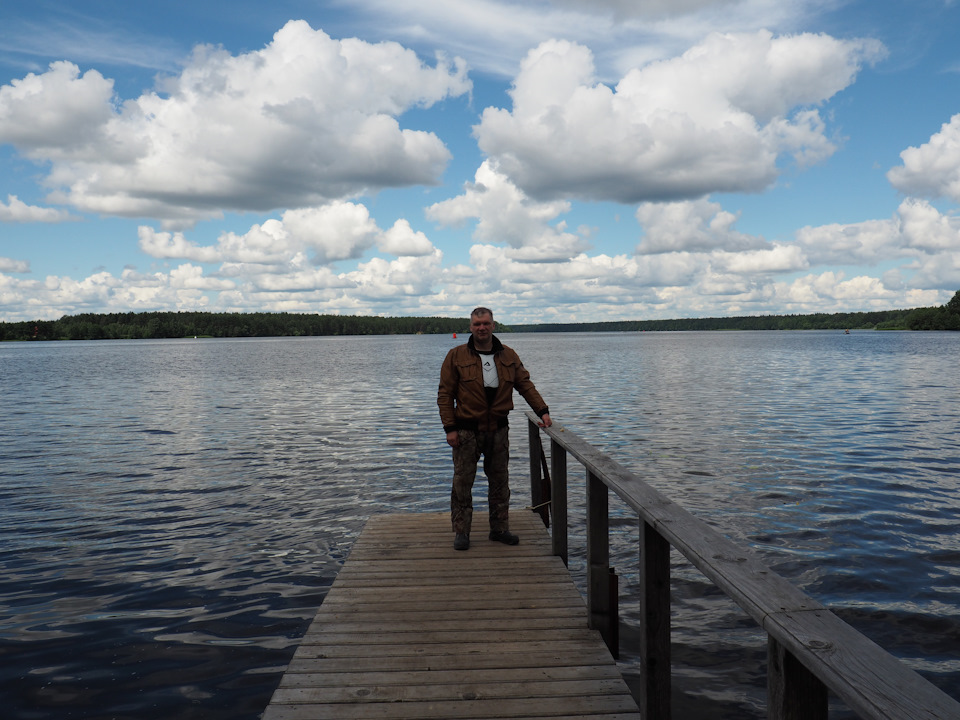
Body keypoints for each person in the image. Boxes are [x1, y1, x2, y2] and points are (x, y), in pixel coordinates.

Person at [437, 307, 552, 551]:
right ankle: (461, 532)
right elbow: (445, 395)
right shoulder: (455, 356)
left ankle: (499, 529)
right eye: (477, 324)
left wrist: (542, 410)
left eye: (486, 323)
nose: (482, 328)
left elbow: (525, 385)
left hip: (499, 430)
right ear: (471, 327)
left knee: (500, 482)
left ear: (493, 325)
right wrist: (450, 428)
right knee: (462, 483)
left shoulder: (508, 355)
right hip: (466, 431)